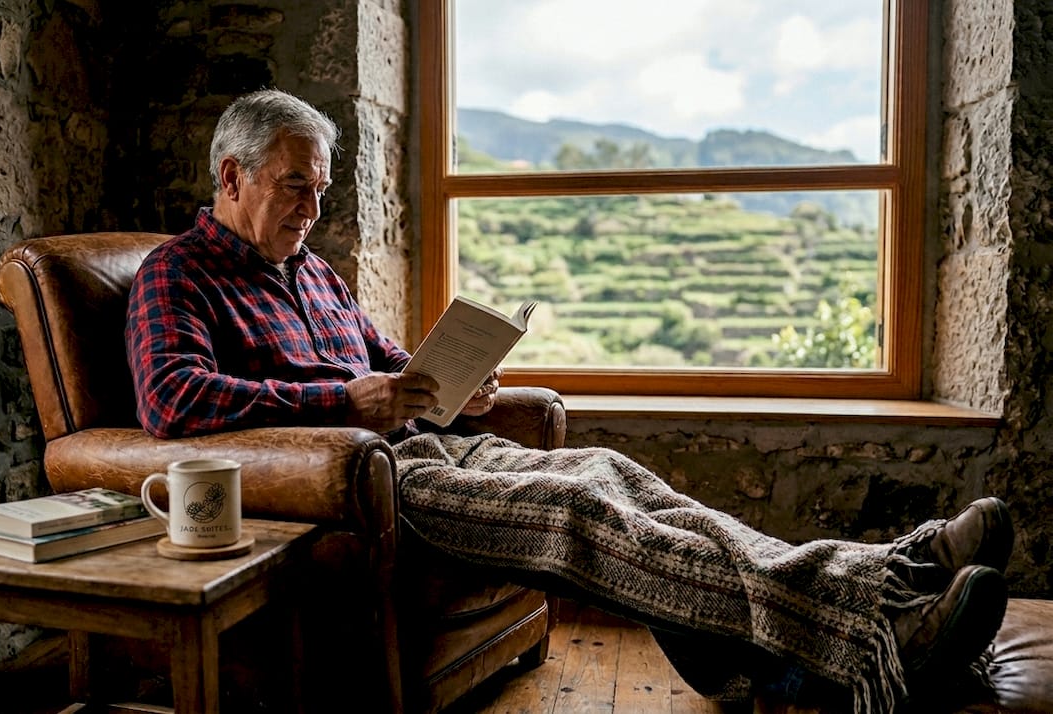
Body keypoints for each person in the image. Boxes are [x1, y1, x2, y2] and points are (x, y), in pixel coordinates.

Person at [124, 88, 1013, 713]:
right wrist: (346, 403)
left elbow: (391, 365)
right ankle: (879, 624)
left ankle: (869, 594)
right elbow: (172, 400)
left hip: (430, 449)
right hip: (356, 483)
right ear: (231, 176)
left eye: (321, 186)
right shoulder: (176, 272)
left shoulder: (315, 272)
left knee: (615, 472)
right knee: (577, 506)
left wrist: (451, 387)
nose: (314, 206)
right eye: (295, 185)